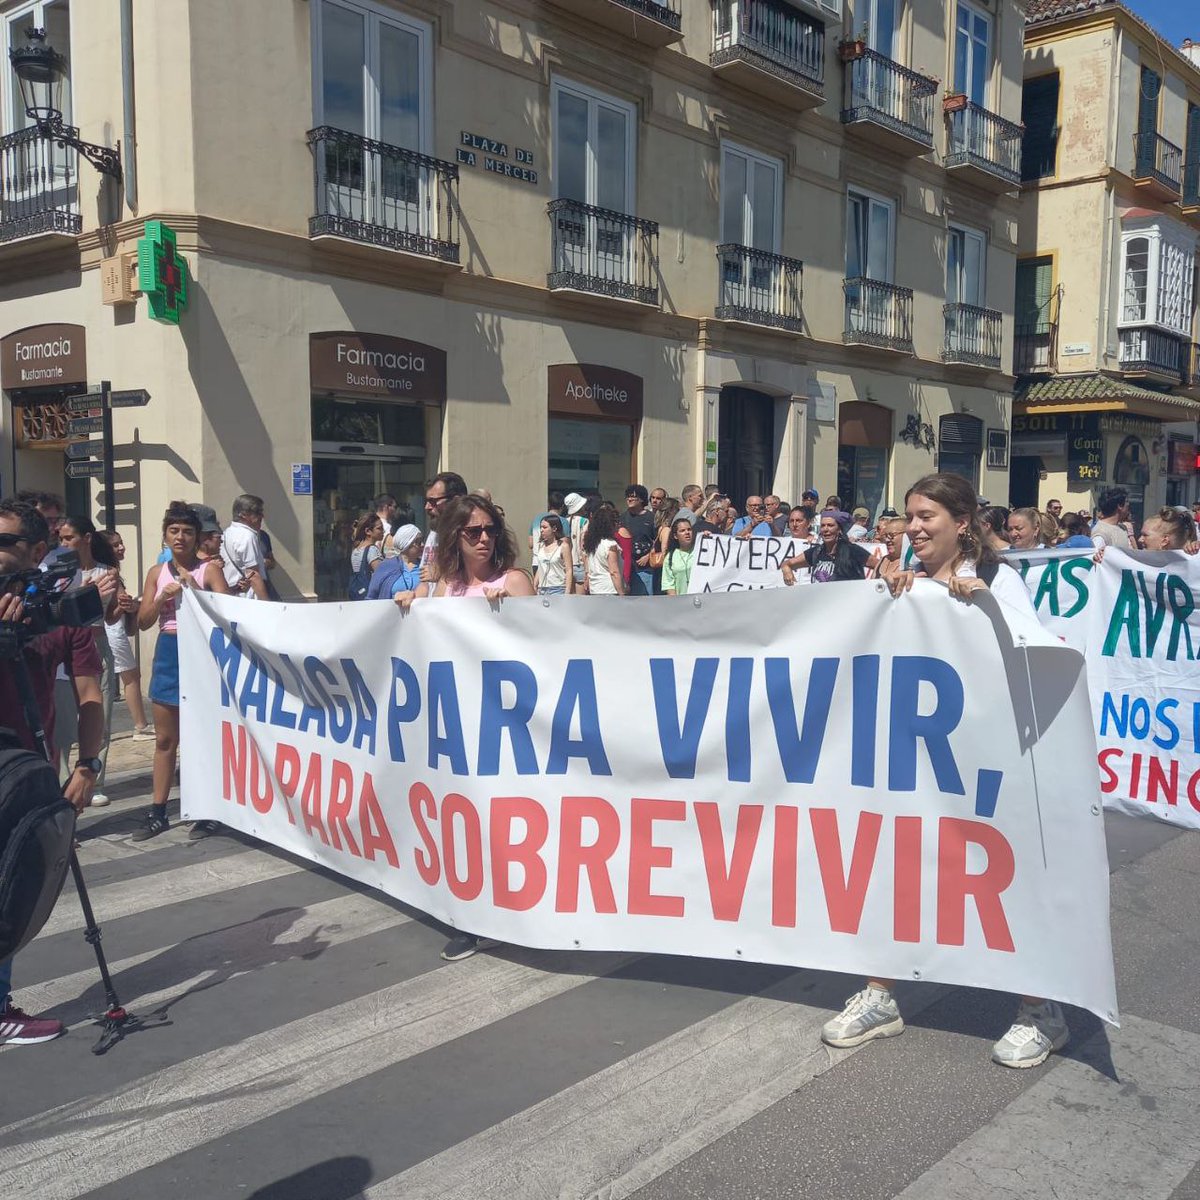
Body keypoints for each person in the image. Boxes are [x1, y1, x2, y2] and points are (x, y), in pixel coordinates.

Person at [821, 473, 1068, 1069]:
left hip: (985, 767)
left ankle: (1042, 1011)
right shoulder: (902, 579)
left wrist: (979, 604)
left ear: (963, 523)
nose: (914, 527)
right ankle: (881, 994)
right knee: (892, 872)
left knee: (1004, 884)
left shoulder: (999, 581)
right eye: (910, 516)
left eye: (927, 515)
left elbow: (1037, 655)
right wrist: (884, 594)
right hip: (911, 762)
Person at [393, 494, 534, 962]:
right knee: (460, 819)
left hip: (503, 728)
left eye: (490, 529)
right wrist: (410, 603)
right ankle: (469, 909)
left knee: (500, 818)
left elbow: (548, 651)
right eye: (473, 531)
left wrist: (511, 615)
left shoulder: (514, 581)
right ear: (455, 537)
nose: (484, 538)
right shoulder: (444, 590)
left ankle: (499, 913)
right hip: (453, 728)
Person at [0, 499, 103, 1046]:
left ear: (40, 552)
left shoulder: (63, 613)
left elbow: (89, 697)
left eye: (8, 542)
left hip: (26, 772)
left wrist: (88, 765)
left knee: (11, 886)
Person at [135, 502, 230, 842]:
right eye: (174, 531)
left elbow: (229, 615)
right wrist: (162, 597)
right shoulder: (154, 573)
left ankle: (209, 810)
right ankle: (158, 811)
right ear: (165, 535)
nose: (180, 537)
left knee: (201, 736)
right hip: (168, 652)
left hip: (201, 654)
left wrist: (195, 589)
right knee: (164, 739)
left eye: (187, 532)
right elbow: (143, 621)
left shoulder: (210, 570)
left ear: (197, 537)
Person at [56, 516, 122, 806]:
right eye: (61, 538)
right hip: (65, 645)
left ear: (86, 538)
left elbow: (109, 617)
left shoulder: (108, 571)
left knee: (100, 712)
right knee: (63, 719)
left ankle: (95, 780)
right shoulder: (59, 573)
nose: (63, 544)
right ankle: (62, 781)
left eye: (69, 538)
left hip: (97, 641)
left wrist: (122, 608)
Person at [99, 530, 152, 741]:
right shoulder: (109, 574)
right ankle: (140, 725)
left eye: (121, 543)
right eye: (115, 545)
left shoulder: (112, 573)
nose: (121, 548)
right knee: (130, 677)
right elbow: (119, 606)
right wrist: (133, 605)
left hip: (115, 629)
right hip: (113, 631)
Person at [782, 511, 875, 585]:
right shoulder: (817, 552)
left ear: (839, 530)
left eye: (830, 525)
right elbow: (788, 563)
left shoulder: (853, 551)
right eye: (823, 526)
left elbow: (880, 565)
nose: (826, 529)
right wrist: (786, 569)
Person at [420, 471, 469, 594]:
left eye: (433, 501)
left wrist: (443, 573)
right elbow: (425, 581)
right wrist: (412, 596)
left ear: (456, 501)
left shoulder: (472, 535)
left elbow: (481, 575)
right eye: (426, 501)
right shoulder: (433, 535)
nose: (427, 507)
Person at [221, 494, 270, 599]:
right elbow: (253, 575)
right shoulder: (247, 536)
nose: (262, 516)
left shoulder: (226, 533)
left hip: (232, 594)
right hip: (248, 597)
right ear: (243, 514)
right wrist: (267, 605)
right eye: (258, 512)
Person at [368, 524, 424, 598]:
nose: (423, 544)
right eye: (418, 542)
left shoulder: (424, 566)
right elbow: (372, 596)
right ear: (406, 544)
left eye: (422, 540)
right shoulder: (385, 567)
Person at [581, 503, 625, 595]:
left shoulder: (592, 543)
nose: (618, 524)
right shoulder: (610, 544)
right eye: (615, 521)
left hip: (595, 589)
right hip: (610, 589)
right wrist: (622, 594)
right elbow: (614, 572)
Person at [621, 485, 657, 596]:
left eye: (633, 497)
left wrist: (648, 556)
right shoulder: (622, 517)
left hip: (645, 569)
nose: (629, 499)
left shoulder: (651, 518)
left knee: (645, 601)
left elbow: (658, 540)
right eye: (627, 497)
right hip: (626, 568)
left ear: (641, 499)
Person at [532, 514, 575, 595]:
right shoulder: (541, 546)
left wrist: (567, 591)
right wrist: (535, 585)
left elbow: (569, 570)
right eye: (541, 527)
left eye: (545, 527)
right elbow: (540, 567)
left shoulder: (563, 546)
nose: (541, 530)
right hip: (542, 589)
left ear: (554, 529)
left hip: (558, 588)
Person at [348, 512, 385, 598]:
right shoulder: (372, 550)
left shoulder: (356, 549)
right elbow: (381, 575)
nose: (383, 531)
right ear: (368, 531)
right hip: (371, 596)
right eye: (379, 528)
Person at [661, 517, 696, 596]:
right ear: (675, 536)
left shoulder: (700, 550)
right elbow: (669, 585)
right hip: (681, 602)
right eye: (682, 531)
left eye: (689, 529)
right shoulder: (670, 557)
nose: (687, 532)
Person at [561, 492, 589, 588]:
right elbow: (583, 546)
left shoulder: (564, 521)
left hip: (566, 564)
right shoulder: (584, 521)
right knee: (581, 601)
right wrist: (587, 570)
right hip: (580, 564)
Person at [870, 516, 908, 583]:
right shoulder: (883, 559)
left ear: (906, 535)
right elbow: (871, 585)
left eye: (892, 535)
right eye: (886, 536)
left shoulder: (910, 563)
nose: (887, 540)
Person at [528, 491, 565, 557]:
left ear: (549, 504)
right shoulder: (563, 521)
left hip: (537, 560)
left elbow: (531, 544)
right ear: (562, 506)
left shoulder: (536, 519)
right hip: (555, 562)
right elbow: (565, 544)